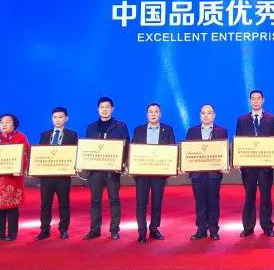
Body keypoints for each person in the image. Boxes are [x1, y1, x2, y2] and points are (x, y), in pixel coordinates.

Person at [83, 97, 129, 240]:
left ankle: (114, 230)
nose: (104, 110)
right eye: (102, 107)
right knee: (95, 201)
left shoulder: (120, 126)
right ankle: (94, 229)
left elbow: (127, 146)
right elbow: (87, 147)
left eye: (107, 107)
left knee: (114, 200)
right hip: (95, 171)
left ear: (112, 109)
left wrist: (123, 164)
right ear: (98, 109)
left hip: (112, 172)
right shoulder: (91, 127)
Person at [235, 89, 274, 237]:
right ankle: (248, 227)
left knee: (266, 196)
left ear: (263, 100)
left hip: (266, 165)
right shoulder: (242, 119)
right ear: (249, 101)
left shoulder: (272, 118)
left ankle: (267, 226)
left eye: (258, 98)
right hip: (248, 166)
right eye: (253, 99)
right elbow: (239, 141)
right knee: (249, 196)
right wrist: (238, 160)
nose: (255, 101)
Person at [130, 103, 176, 243]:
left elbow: (171, 149)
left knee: (157, 202)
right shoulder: (139, 130)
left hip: (159, 173)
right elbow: (133, 149)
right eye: (151, 112)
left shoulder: (168, 129)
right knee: (141, 203)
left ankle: (154, 228)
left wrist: (172, 167)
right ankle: (141, 232)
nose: (153, 114)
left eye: (156, 111)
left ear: (160, 114)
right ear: (147, 114)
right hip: (142, 173)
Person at [185, 104, 229, 241]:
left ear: (214, 115)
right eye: (203, 113)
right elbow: (187, 151)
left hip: (213, 174)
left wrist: (225, 164)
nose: (206, 115)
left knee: (213, 202)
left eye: (209, 113)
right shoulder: (192, 131)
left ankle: (214, 230)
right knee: (200, 202)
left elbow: (224, 151)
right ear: (200, 115)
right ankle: (201, 230)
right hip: (197, 174)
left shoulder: (222, 131)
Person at [0, 114, 29, 241]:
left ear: (14, 124)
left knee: (11, 207)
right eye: (1, 122)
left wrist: (19, 168)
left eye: (7, 122)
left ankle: (12, 233)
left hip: (11, 179)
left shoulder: (20, 138)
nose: (4, 125)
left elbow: (25, 155)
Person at [36, 107, 78, 240]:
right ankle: (44, 230)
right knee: (45, 204)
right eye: (55, 117)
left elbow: (75, 153)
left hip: (63, 177)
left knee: (64, 204)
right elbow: (40, 154)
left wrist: (73, 167)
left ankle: (63, 230)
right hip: (47, 176)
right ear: (52, 119)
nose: (57, 120)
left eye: (60, 117)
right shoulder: (44, 135)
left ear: (66, 118)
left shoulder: (72, 135)